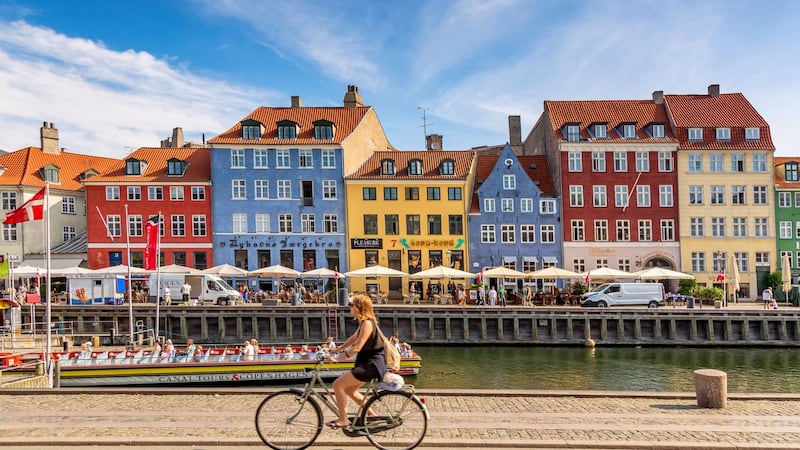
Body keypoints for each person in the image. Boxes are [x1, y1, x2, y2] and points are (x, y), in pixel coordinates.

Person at [326, 294, 386, 429]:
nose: (350, 307)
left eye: (351, 305)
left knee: (338, 385)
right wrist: (337, 349)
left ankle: (343, 420)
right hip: (368, 363)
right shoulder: (364, 322)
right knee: (350, 390)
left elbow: (357, 347)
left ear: (359, 307)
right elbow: (354, 337)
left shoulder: (367, 324)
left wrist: (338, 360)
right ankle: (372, 417)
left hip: (371, 364)